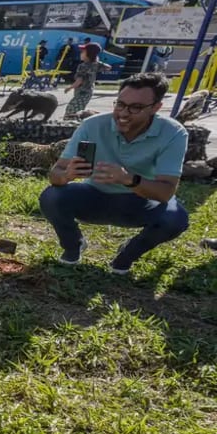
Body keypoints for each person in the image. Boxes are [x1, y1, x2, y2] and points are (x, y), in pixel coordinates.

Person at [40, 73, 190, 275]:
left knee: (175, 219)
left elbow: (165, 192)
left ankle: (126, 255)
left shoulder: (173, 133)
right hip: (94, 195)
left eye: (135, 107)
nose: (123, 113)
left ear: (156, 107)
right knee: (51, 196)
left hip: (141, 201)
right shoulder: (92, 125)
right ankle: (73, 245)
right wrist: (66, 175)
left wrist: (128, 179)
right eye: (120, 104)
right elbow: (55, 174)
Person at [64, 42, 105, 119]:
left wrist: (70, 87)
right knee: (79, 109)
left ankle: (72, 123)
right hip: (89, 92)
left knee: (71, 111)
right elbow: (108, 67)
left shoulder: (83, 66)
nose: (81, 54)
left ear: (89, 54)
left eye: (83, 52)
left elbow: (79, 80)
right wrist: (97, 63)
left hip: (82, 92)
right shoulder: (96, 64)